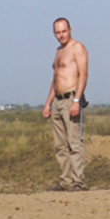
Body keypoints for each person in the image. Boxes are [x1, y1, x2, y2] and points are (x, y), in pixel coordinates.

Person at [41, 18, 89, 191]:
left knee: (73, 142)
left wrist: (76, 100)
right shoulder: (58, 51)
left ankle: (78, 181)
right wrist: (48, 103)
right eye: (57, 32)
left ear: (70, 30)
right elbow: (55, 80)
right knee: (60, 145)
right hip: (57, 101)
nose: (61, 35)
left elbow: (83, 75)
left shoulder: (77, 48)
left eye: (63, 31)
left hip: (71, 99)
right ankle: (65, 181)